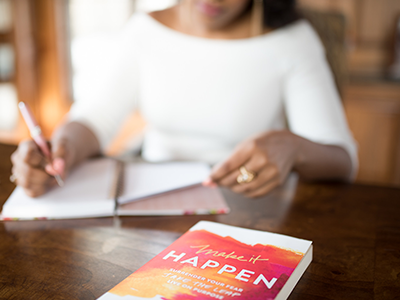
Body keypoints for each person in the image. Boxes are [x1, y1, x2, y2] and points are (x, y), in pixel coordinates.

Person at [11, 0, 357, 198]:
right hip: (153, 205)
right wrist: (62, 148)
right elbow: (96, 117)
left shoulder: (292, 41)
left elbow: (343, 160)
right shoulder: (145, 30)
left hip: (252, 211)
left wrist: (294, 148)